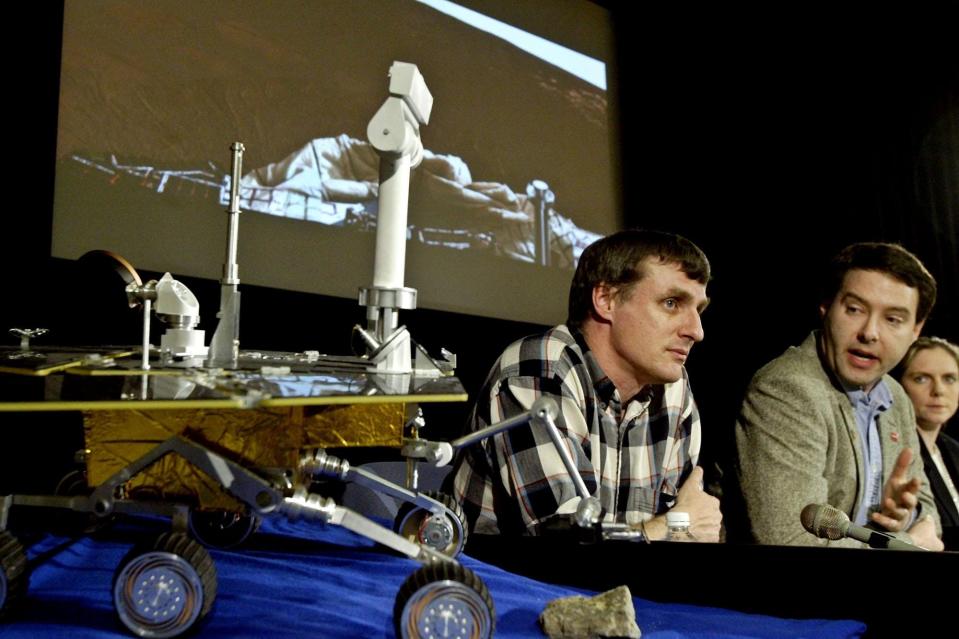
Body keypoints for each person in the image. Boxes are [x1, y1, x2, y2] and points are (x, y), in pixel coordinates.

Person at [447, 229, 722, 541]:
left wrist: (676, 527)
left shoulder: (673, 390)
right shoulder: (539, 370)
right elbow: (566, 546)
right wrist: (672, 526)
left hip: (615, 587)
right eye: (671, 303)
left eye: (698, 310)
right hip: (502, 583)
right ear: (605, 300)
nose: (696, 331)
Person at [733, 242, 943, 549]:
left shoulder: (895, 396)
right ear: (826, 305)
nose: (869, 332)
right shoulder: (787, 389)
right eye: (855, 309)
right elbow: (791, 541)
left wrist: (904, 514)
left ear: (916, 329)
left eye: (893, 319)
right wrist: (905, 541)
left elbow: (930, 516)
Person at [899, 336, 959, 550]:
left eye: (950, 379)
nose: (939, 390)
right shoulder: (898, 451)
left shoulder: (953, 449)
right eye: (921, 379)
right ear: (898, 385)